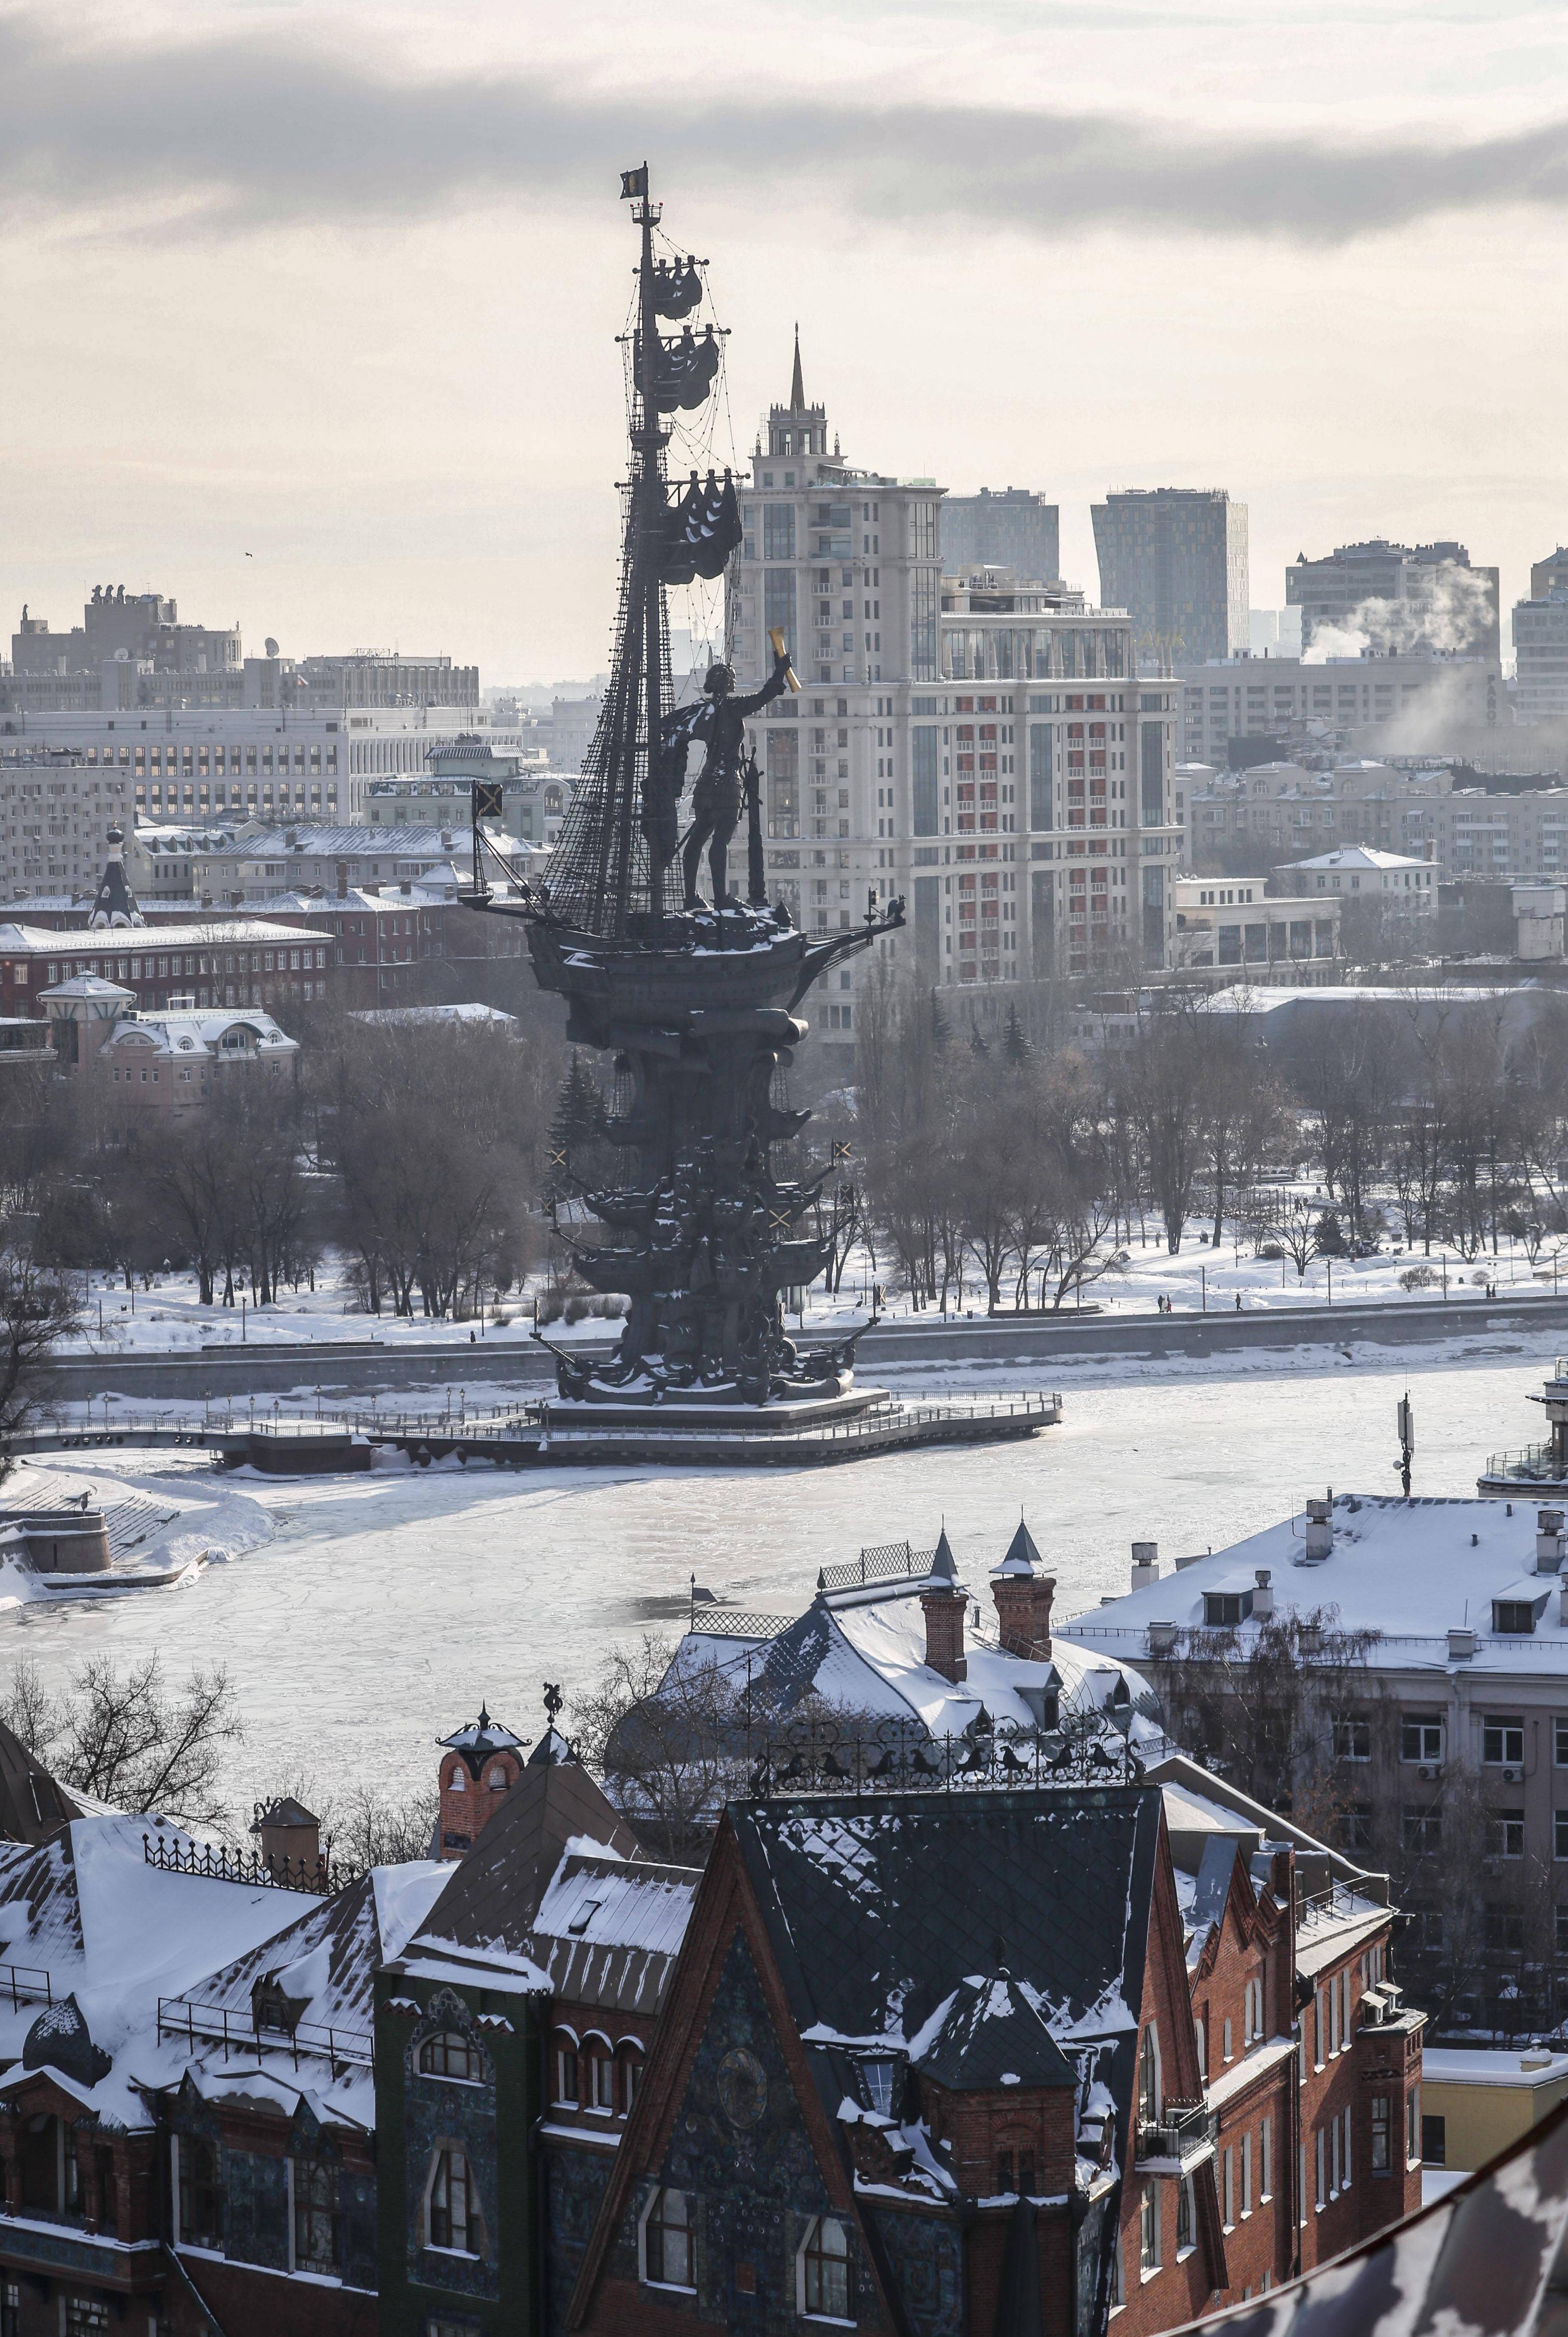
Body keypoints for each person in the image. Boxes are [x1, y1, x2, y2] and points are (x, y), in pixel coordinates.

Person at [653, 651, 791, 910]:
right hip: (728, 785)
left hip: (706, 785)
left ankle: (691, 897)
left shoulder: (701, 711)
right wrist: (780, 672)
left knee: (695, 842)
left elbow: (667, 727)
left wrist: (673, 767)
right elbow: (764, 697)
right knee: (720, 842)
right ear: (729, 684)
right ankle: (721, 899)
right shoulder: (731, 708)